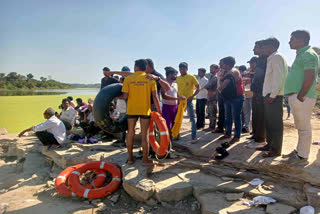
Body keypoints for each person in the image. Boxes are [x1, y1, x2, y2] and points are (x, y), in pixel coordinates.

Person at [282, 30, 319, 165]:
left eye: (292, 39)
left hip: (302, 97)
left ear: (301, 40)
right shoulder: (302, 54)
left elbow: (310, 75)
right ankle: (299, 151)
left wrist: (301, 95)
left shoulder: (308, 54)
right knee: (300, 126)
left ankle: (302, 157)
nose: (289, 42)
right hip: (299, 96)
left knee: (304, 127)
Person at [120, 59, 162, 166]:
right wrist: (159, 112)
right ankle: (145, 160)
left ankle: (130, 158)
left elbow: (124, 96)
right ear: (145, 67)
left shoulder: (128, 79)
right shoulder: (150, 78)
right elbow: (155, 97)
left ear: (135, 67)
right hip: (145, 110)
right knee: (144, 135)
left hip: (131, 110)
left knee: (130, 133)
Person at [258, 37, 288, 158]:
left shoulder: (276, 57)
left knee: (275, 124)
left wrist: (272, 95)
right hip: (269, 95)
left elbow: (278, 78)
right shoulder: (271, 58)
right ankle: (269, 145)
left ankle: (275, 149)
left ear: (271, 47)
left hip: (273, 96)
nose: (263, 49)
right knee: (269, 123)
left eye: (264, 47)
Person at [218, 56, 245, 145]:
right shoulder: (226, 72)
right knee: (228, 116)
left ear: (227, 64)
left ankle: (237, 136)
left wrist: (219, 85)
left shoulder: (233, 72)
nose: (220, 66)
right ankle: (228, 133)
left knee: (236, 117)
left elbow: (222, 86)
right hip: (228, 98)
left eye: (222, 64)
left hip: (236, 98)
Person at [246, 41, 268, 149]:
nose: (253, 50)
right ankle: (255, 136)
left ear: (262, 48)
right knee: (255, 115)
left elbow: (263, 76)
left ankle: (260, 140)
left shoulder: (265, 60)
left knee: (260, 116)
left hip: (261, 92)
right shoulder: (261, 60)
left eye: (256, 47)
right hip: (256, 92)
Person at [176, 62, 200, 142]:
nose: (181, 70)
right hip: (179, 101)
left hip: (188, 101)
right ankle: (177, 134)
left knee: (192, 118)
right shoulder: (177, 78)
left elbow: (198, 87)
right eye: (180, 68)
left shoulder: (191, 77)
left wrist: (192, 96)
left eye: (183, 68)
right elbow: (176, 89)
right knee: (178, 118)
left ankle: (194, 135)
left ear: (187, 69)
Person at [161, 67, 185, 138]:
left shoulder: (175, 84)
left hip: (175, 107)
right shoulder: (164, 84)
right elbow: (164, 96)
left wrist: (180, 99)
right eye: (174, 74)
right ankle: (168, 143)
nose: (176, 76)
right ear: (169, 75)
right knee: (167, 125)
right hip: (167, 107)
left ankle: (172, 138)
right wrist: (177, 98)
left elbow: (176, 94)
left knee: (175, 124)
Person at [204, 64, 219, 132]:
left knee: (212, 112)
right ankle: (211, 126)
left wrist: (212, 91)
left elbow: (209, 85)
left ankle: (212, 126)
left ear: (216, 69)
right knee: (210, 112)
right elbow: (207, 86)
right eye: (210, 68)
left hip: (213, 97)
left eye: (212, 68)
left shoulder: (215, 77)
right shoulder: (212, 77)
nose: (211, 70)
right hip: (210, 96)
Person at [239, 65, 252, 133]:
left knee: (248, 112)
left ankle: (249, 127)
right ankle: (246, 127)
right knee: (247, 112)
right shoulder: (245, 74)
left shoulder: (250, 74)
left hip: (251, 94)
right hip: (246, 94)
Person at [214, 67, 226, 133]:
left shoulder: (227, 72)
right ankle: (220, 127)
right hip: (220, 92)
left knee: (226, 111)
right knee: (221, 111)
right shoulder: (218, 73)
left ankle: (226, 127)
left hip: (225, 93)